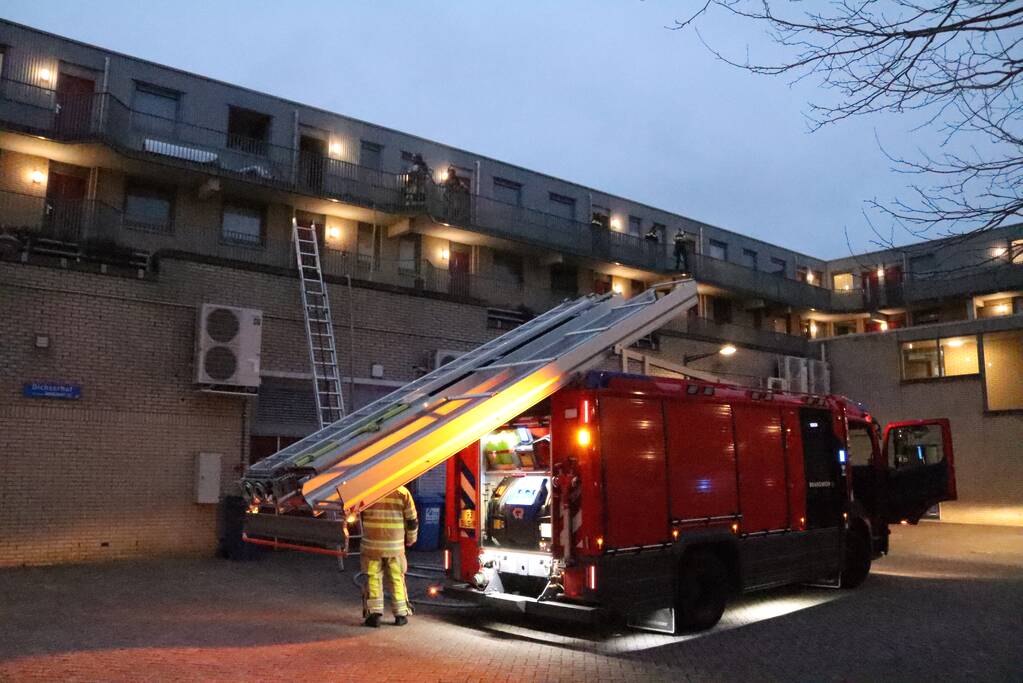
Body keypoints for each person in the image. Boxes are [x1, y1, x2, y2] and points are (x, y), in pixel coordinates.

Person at [360, 485, 418, 627]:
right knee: (396, 578)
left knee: (373, 578)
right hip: (395, 546)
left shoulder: (366, 490)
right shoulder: (403, 493)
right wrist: (411, 538)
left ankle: (374, 615)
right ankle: (401, 615)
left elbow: (357, 514)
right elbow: (411, 520)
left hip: (372, 546)